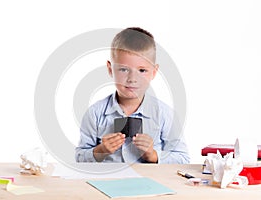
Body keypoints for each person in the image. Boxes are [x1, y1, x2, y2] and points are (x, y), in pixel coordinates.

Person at [75, 27, 189, 164]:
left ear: (154, 72)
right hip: (107, 182)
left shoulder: (164, 114)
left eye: (142, 70)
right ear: (110, 69)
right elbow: (80, 158)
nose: (132, 78)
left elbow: (183, 158)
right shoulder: (95, 113)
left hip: (150, 183)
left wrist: (153, 155)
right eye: (123, 69)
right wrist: (100, 151)